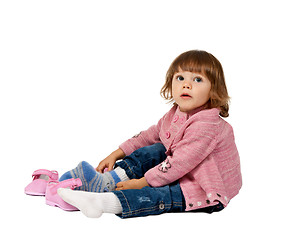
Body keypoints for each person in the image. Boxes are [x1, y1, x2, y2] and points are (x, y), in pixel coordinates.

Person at [58, 50, 242, 218]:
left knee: (160, 195)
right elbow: (151, 135)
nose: (186, 85)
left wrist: (142, 182)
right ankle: (107, 181)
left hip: (205, 187)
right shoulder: (177, 113)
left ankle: (104, 203)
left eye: (197, 80)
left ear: (214, 91)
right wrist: (117, 153)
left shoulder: (207, 125)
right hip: (182, 171)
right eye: (180, 78)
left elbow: (179, 163)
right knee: (156, 149)